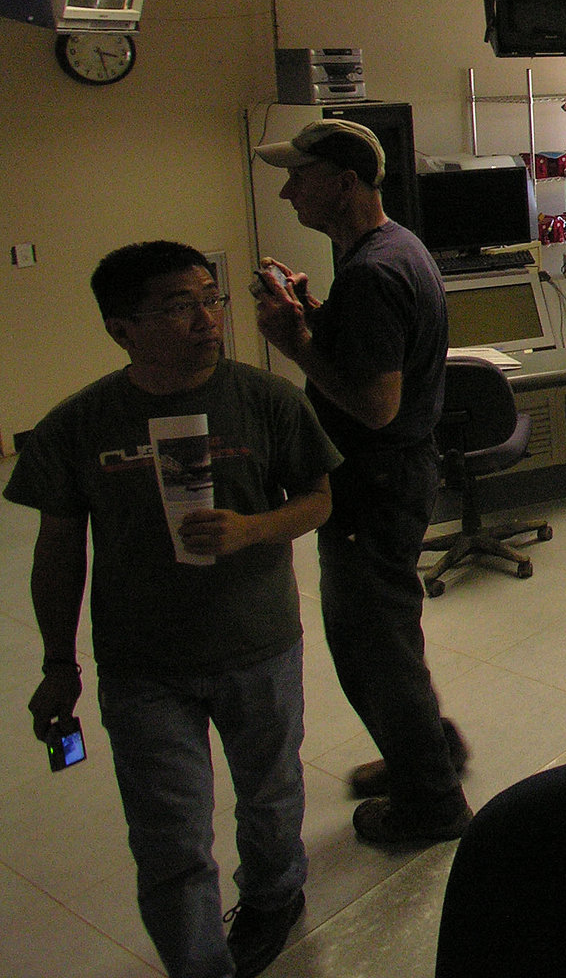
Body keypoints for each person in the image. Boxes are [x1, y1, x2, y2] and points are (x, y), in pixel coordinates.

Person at [9, 242, 337, 978]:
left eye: (209, 298)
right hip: (143, 665)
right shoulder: (79, 426)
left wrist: (252, 529)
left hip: (259, 645)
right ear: (120, 328)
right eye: (178, 305)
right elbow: (58, 553)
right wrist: (58, 665)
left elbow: (318, 500)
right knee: (170, 838)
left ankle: (276, 897)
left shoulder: (266, 400)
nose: (207, 319)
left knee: (271, 795)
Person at [250, 119, 471, 845]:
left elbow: (376, 406)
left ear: (343, 183)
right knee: (390, 636)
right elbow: (380, 358)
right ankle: (427, 752)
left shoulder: (374, 272)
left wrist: (294, 344)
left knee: (373, 649)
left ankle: (431, 802)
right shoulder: (391, 249)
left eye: (300, 177)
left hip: (375, 483)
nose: (287, 192)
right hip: (400, 474)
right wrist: (320, 321)